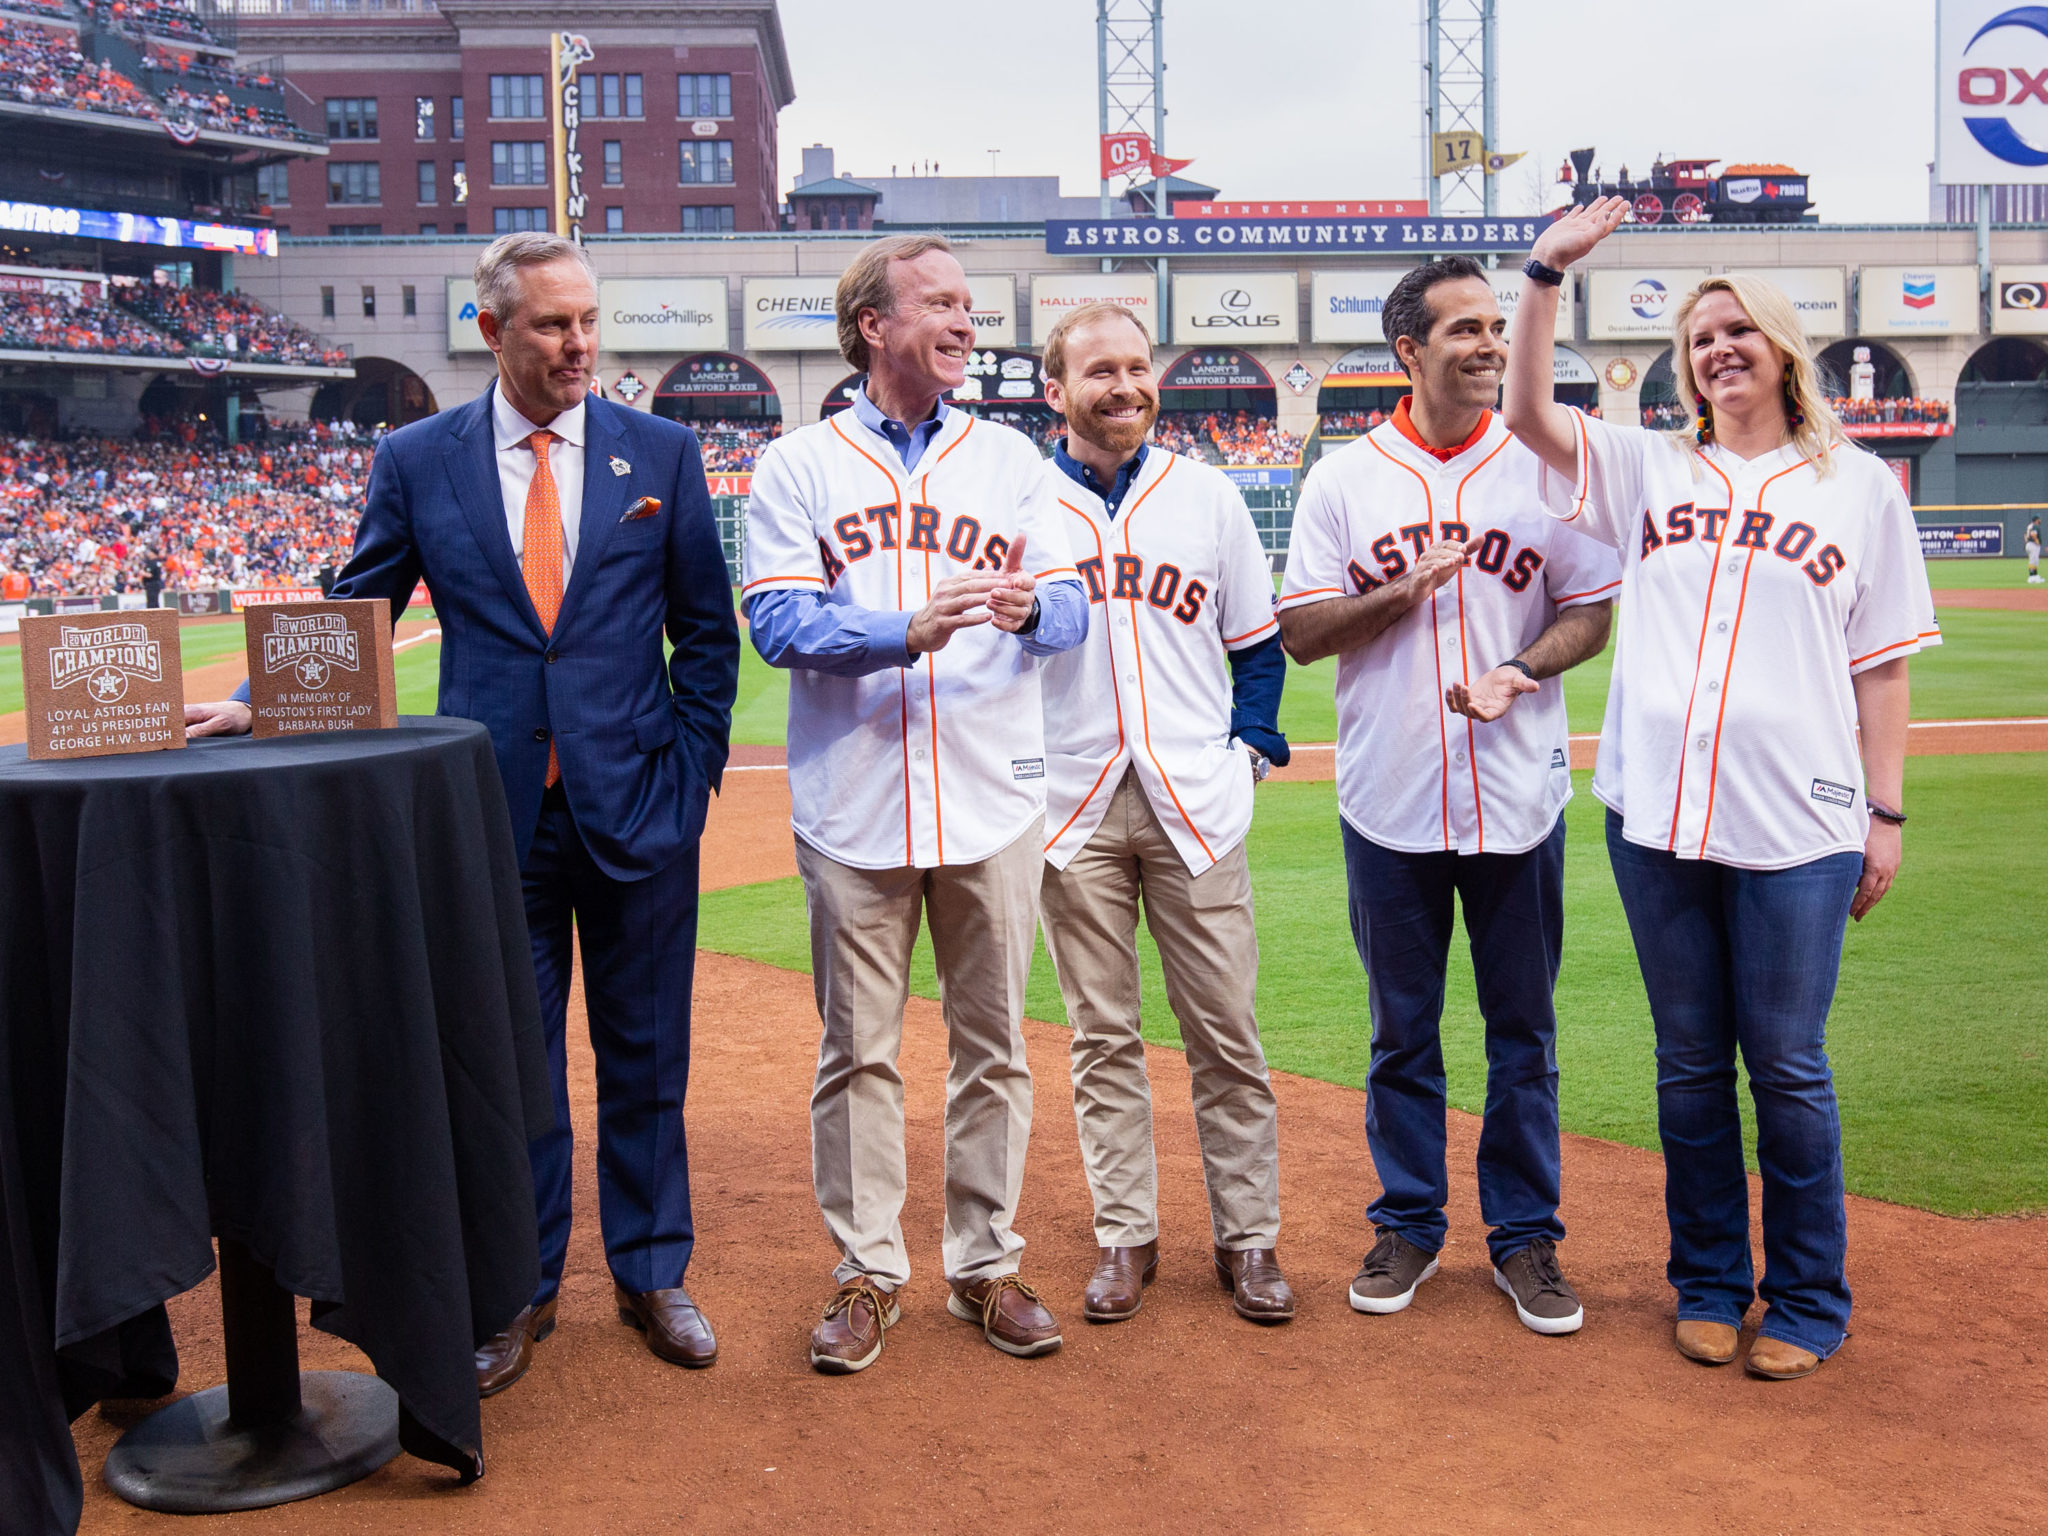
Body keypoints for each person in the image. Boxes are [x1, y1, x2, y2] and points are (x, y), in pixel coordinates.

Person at [186, 231, 739, 1391]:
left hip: (638, 805)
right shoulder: (417, 457)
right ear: (491, 331)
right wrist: (258, 701)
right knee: (509, 1071)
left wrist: (688, 778)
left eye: (587, 320)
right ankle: (517, 1290)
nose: (579, 343)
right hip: (487, 814)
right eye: (551, 324)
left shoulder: (665, 452)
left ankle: (651, 1271)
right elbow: (365, 605)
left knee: (646, 1061)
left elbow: (706, 635)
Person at [1503, 198, 1939, 1380]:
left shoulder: (1857, 488)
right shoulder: (1648, 466)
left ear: (1780, 345)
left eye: (1735, 329)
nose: (1716, 350)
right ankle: (1706, 1278)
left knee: (1786, 1065)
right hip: (1655, 814)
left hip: (1798, 821)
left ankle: (1804, 1296)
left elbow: (1883, 665)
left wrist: (1882, 813)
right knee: (1688, 1063)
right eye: (1698, 338)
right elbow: (1526, 412)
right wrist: (1543, 271)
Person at [742, 235, 1088, 1374]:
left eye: (966, 305)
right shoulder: (799, 463)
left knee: (995, 1049)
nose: (963, 321)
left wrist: (1033, 611)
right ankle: (868, 1272)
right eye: (937, 303)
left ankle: (984, 1265)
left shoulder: (1013, 462)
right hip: (854, 803)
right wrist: (905, 629)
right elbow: (779, 627)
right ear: (871, 325)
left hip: (993, 796)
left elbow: (1079, 611)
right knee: (859, 1052)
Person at [1276, 255, 1620, 1338]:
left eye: (1494, 325)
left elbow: (1588, 611)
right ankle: (1408, 1224)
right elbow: (1296, 633)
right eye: (1462, 328)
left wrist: (1524, 671)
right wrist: (1393, 594)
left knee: (1523, 1032)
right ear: (1408, 352)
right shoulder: (1342, 478)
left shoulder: (1542, 465)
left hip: (1517, 793)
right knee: (1401, 1033)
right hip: (1388, 797)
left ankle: (1525, 1241)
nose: (1486, 342)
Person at [1034, 301, 1295, 1326]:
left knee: (1224, 1031)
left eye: (1137, 367)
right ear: (1055, 391)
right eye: (1100, 370)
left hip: (1195, 799)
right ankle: (1123, 1236)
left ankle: (1249, 1239)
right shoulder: (1019, 505)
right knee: (1100, 1036)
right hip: (1073, 802)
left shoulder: (1207, 498)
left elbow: (1257, 645)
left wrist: (1253, 750)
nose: (1126, 385)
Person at [2027, 515, 2041, 583]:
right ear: (2036, 520)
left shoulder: (2030, 526)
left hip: (2030, 544)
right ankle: (2031, 577)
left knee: (2035, 561)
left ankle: (2035, 576)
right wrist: (2037, 541)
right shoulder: (2034, 526)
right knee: (2033, 561)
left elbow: (2025, 536)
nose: (2040, 520)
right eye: (2039, 519)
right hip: (2033, 545)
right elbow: (2033, 534)